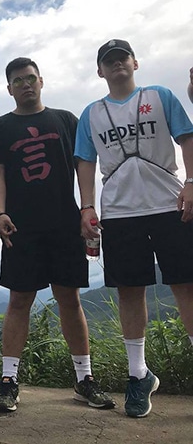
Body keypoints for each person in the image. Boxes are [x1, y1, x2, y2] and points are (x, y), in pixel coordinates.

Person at [0, 57, 115, 412]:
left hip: (64, 222)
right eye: (18, 81)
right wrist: (0, 213)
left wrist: (87, 209)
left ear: (41, 81)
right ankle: (9, 381)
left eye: (30, 78)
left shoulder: (66, 120)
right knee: (19, 300)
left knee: (69, 299)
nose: (25, 85)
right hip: (20, 226)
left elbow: (84, 165)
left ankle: (84, 379)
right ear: (9, 88)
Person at [76, 39, 193, 418]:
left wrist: (192, 182)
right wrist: (88, 206)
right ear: (100, 71)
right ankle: (138, 374)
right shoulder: (91, 113)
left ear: (135, 62)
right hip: (120, 210)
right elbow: (85, 162)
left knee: (185, 284)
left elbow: (186, 138)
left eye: (122, 58)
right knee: (129, 289)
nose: (117, 65)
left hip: (169, 201)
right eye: (109, 62)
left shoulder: (159, 96)